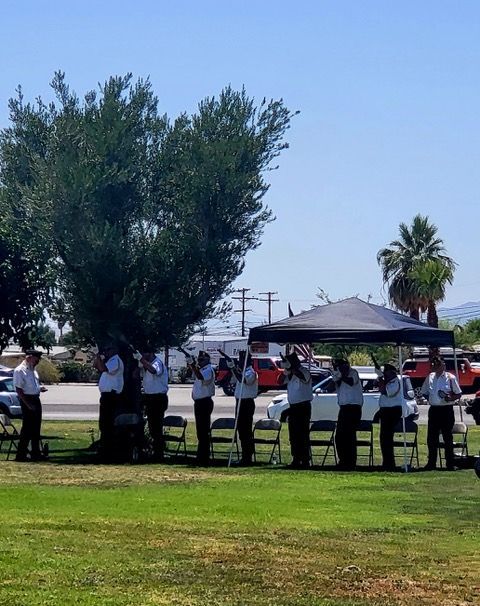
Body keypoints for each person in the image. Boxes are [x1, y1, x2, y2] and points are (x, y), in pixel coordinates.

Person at [421, 356, 462, 470]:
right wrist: (431, 399)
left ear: (443, 365)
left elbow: (458, 394)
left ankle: (450, 463)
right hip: (434, 410)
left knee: (447, 437)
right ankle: (431, 463)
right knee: (431, 438)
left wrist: (450, 398)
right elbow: (424, 392)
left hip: (446, 410)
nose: (436, 366)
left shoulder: (450, 378)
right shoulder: (430, 377)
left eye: (438, 364)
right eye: (434, 364)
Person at [134, 346, 169, 461]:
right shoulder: (146, 365)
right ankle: (154, 451)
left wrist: (142, 360)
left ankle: (159, 453)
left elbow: (154, 371)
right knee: (151, 426)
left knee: (157, 426)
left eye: (145, 354)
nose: (143, 356)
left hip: (158, 398)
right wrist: (139, 364)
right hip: (149, 398)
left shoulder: (157, 362)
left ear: (150, 353)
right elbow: (135, 375)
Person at [13, 349, 48, 462]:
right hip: (27, 399)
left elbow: (33, 385)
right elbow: (19, 390)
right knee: (27, 428)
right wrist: (28, 405)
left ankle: (35, 453)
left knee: (36, 427)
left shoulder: (33, 370)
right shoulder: (20, 370)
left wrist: (39, 388)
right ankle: (21, 454)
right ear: (30, 357)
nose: (38, 362)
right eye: (36, 359)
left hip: (35, 398)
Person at [280, 351, 312, 469]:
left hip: (303, 406)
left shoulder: (304, 371)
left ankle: (305, 459)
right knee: (293, 434)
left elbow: (304, 378)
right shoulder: (290, 372)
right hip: (293, 407)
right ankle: (296, 458)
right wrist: (286, 370)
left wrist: (292, 368)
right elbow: (280, 381)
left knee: (302, 433)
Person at [228, 350, 258, 466]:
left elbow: (243, 380)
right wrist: (233, 370)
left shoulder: (251, 372)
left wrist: (234, 369)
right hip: (239, 402)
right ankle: (244, 455)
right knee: (241, 430)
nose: (239, 361)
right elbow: (233, 380)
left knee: (246, 430)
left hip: (247, 403)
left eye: (241, 359)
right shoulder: (243, 371)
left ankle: (247, 456)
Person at [373, 358, 403, 471]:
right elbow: (375, 384)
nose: (385, 373)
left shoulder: (395, 382)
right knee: (384, 438)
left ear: (392, 373)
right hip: (385, 411)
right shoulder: (387, 381)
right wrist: (379, 377)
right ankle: (386, 462)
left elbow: (384, 391)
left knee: (387, 437)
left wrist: (380, 377)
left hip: (392, 411)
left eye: (386, 372)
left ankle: (390, 463)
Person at [94, 344, 124, 455]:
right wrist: (98, 357)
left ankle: (108, 448)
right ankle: (105, 446)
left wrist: (99, 357)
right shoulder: (109, 360)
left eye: (108, 349)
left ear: (114, 350)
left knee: (108, 422)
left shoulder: (115, 360)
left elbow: (103, 369)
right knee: (104, 422)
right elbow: (96, 366)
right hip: (106, 396)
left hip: (111, 396)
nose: (105, 352)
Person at [333, 358, 363, 470]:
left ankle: (350, 462)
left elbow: (350, 382)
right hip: (343, 408)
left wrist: (342, 375)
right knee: (339, 436)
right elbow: (334, 383)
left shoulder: (353, 373)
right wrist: (337, 374)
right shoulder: (339, 375)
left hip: (353, 408)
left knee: (349, 435)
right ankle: (343, 460)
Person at [188, 350, 215, 466]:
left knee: (204, 430)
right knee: (200, 431)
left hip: (205, 402)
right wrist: (191, 366)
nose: (199, 361)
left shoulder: (208, 370)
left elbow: (200, 377)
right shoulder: (202, 369)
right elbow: (193, 375)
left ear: (208, 360)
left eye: (202, 360)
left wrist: (193, 365)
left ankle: (204, 457)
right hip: (199, 402)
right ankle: (201, 455)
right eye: (198, 360)